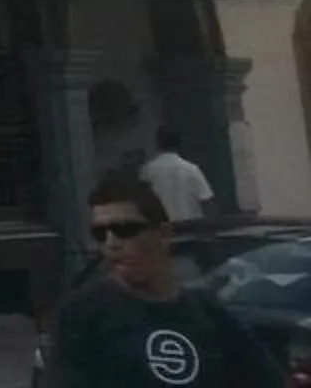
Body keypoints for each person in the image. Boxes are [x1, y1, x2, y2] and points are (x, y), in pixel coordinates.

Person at [46, 173, 277, 386]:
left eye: (124, 229)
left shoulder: (210, 315)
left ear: (163, 234)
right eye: (100, 234)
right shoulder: (82, 315)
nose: (111, 243)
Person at [142, 125, 218, 225]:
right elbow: (206, 202)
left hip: (163, 230)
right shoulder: (191, 169)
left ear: (157, 142)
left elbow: (143, 203)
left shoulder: (147, 171)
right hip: (192, 228)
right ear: (181, 142)